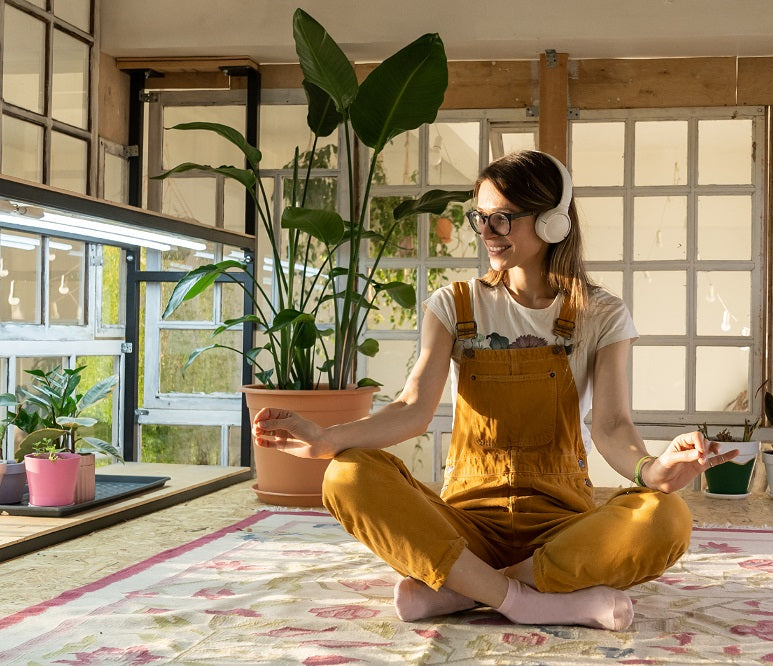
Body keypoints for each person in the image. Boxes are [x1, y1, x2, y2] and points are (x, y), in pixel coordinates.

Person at [252, 150, 738, 632]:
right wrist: (326, 439)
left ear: (551, 223)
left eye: (502, 219)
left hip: (561, 531)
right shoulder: (453, 305)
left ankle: (465, 590)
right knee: (346, 476)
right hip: (465, 527)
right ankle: (527, 601)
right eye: (479, 218)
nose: (486, 232)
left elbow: (611, 427)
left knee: (666, 517)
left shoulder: (601, 314)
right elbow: (412, 407)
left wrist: (654, 469)